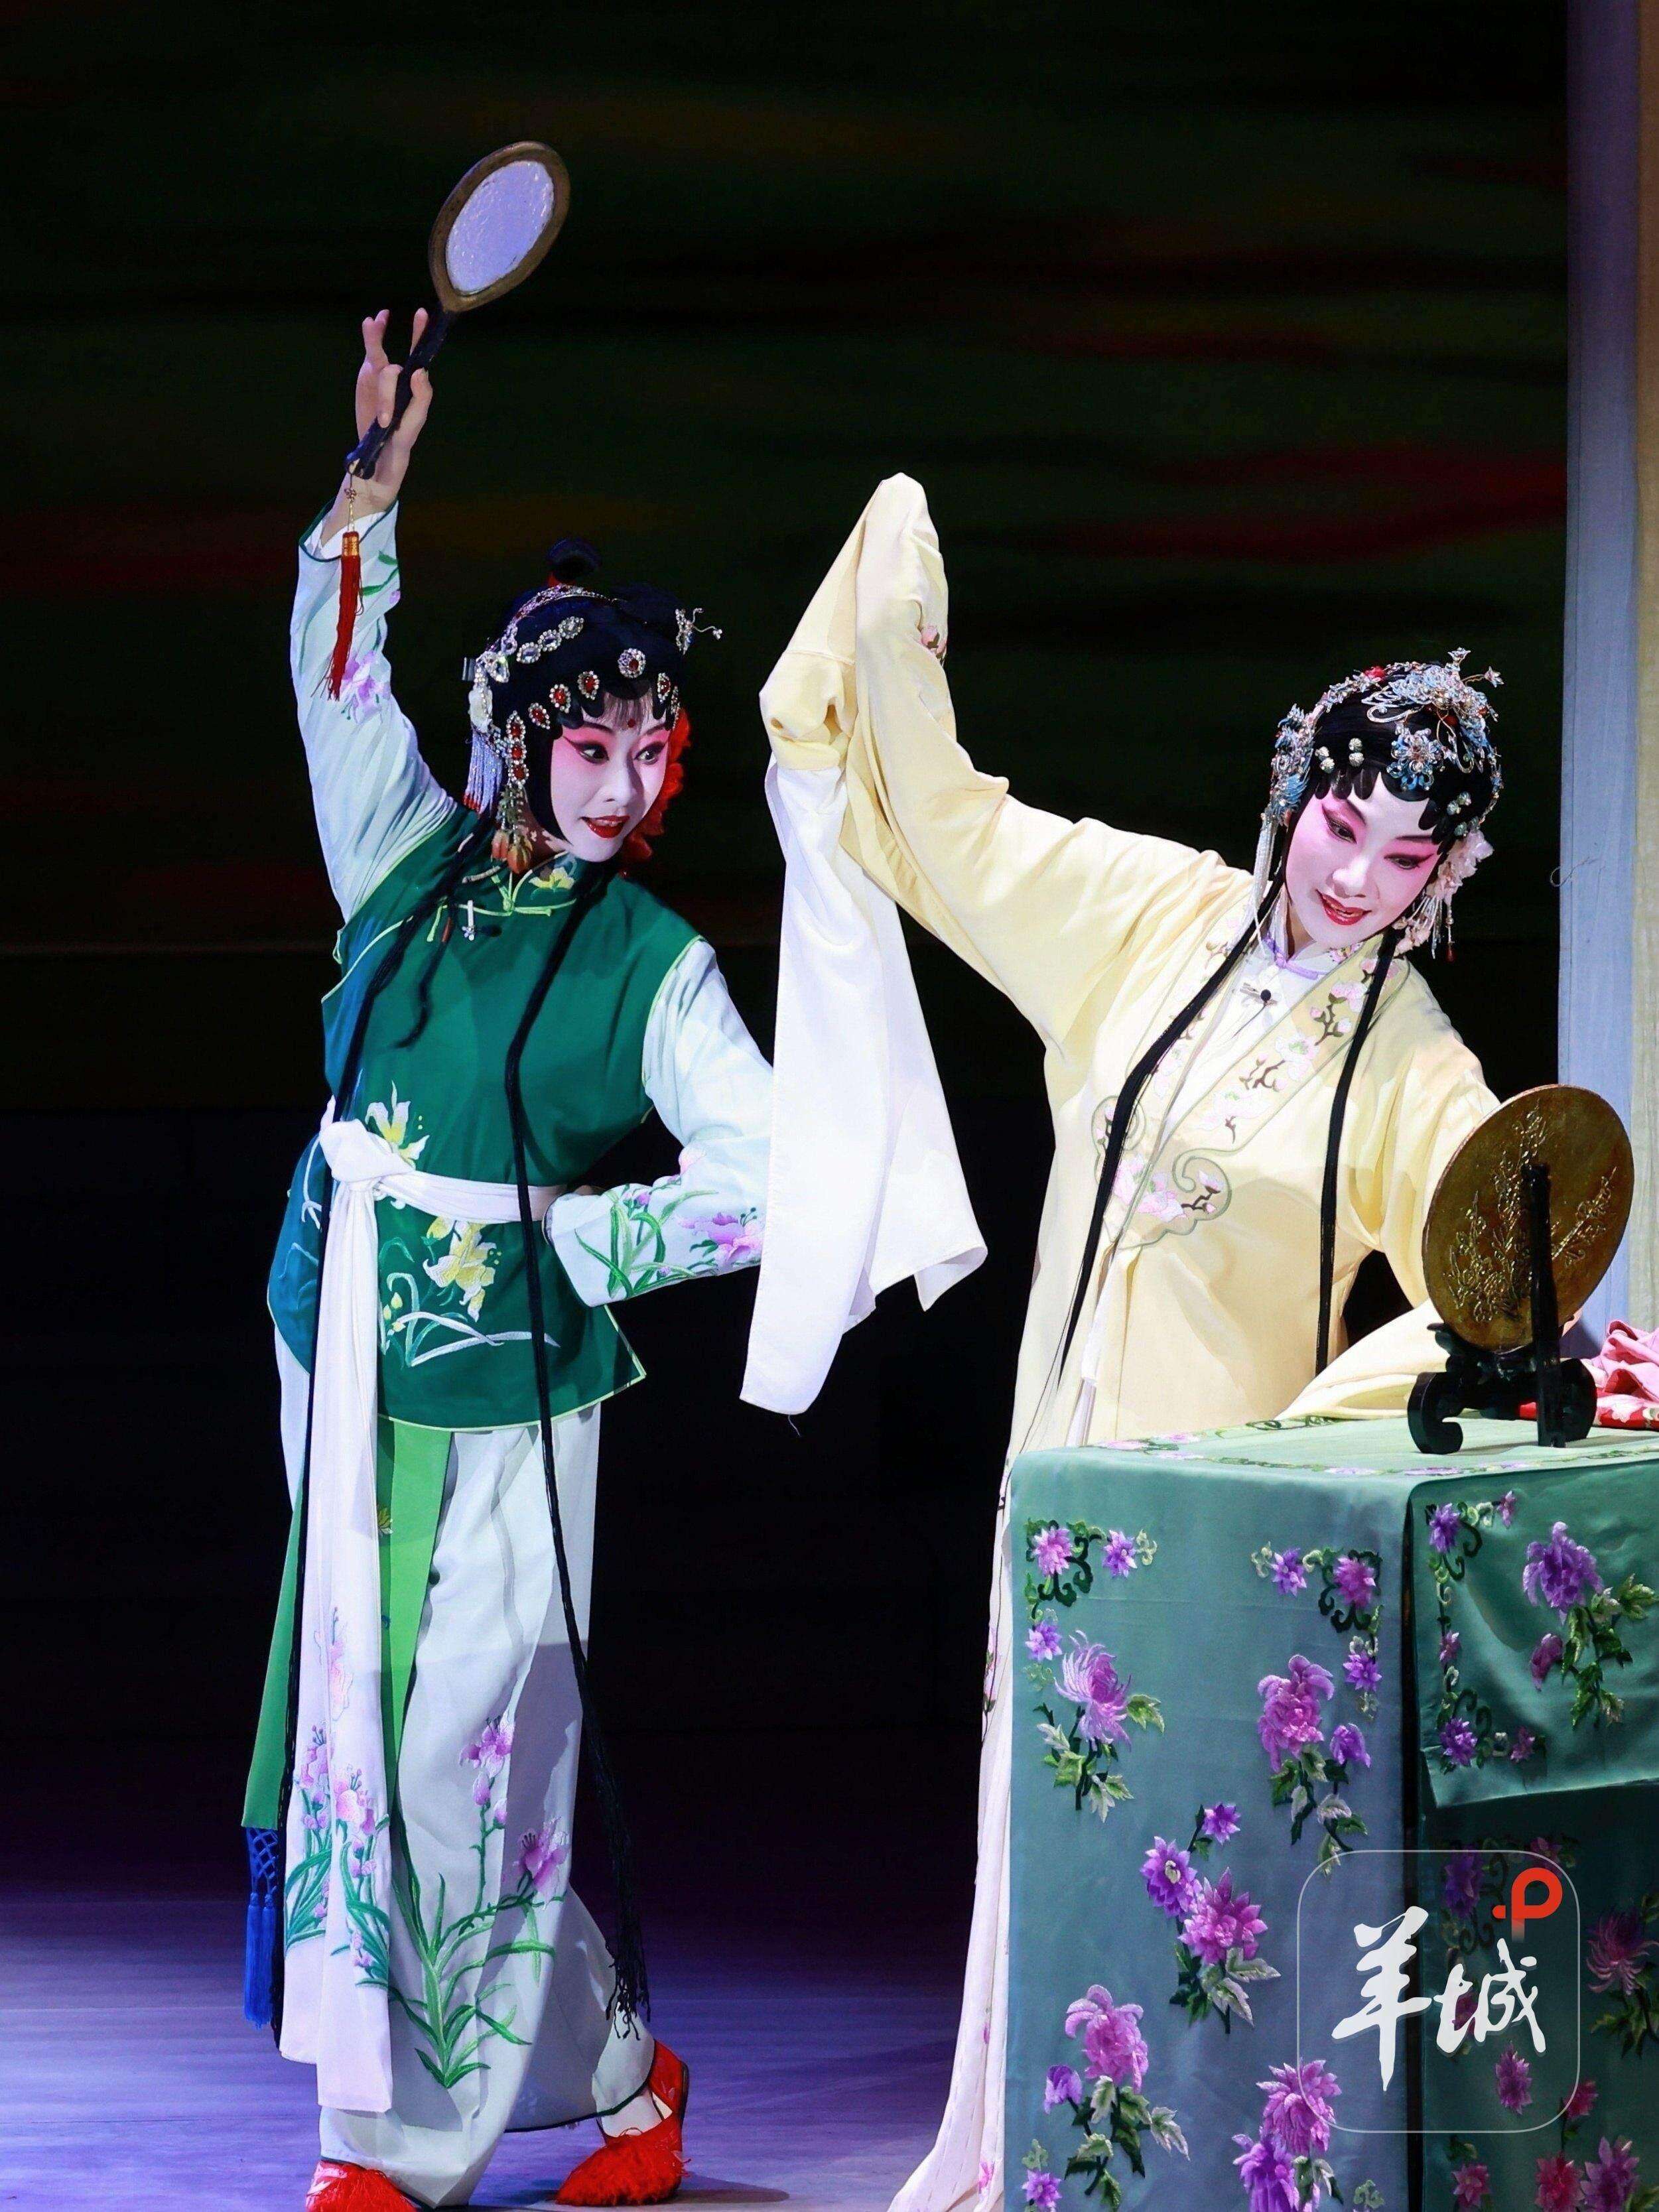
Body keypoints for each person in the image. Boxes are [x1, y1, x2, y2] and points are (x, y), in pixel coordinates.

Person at [755, 475, 1503, 2212]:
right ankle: (1010, 2162)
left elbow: (1493, 1286)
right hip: (1059, 1472)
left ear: (1444, 873)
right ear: (1298, 790)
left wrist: (1314, 1431)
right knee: (1041, 1827)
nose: (1356, 878)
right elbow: (953, 827)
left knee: (1191, 1870)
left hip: (1220, 1531)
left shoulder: (1412, 1061)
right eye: (1342, 825)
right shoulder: (1154, 914)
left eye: (1407, 858)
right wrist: (894, 598)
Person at [242, 312, 771, 2212]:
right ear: (521, 743)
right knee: (370, 1741)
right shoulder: (402, 856)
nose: (621, 788)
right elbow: (337, 678)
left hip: (521, 1383)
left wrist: (582, 1236)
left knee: (467, 1753)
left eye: (650, 751)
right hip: (339, 1340)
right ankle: (624, 2080)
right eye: (588, 748)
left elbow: (773, 1178)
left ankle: (391, 2154)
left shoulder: (655, 966)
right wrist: (369, 493)